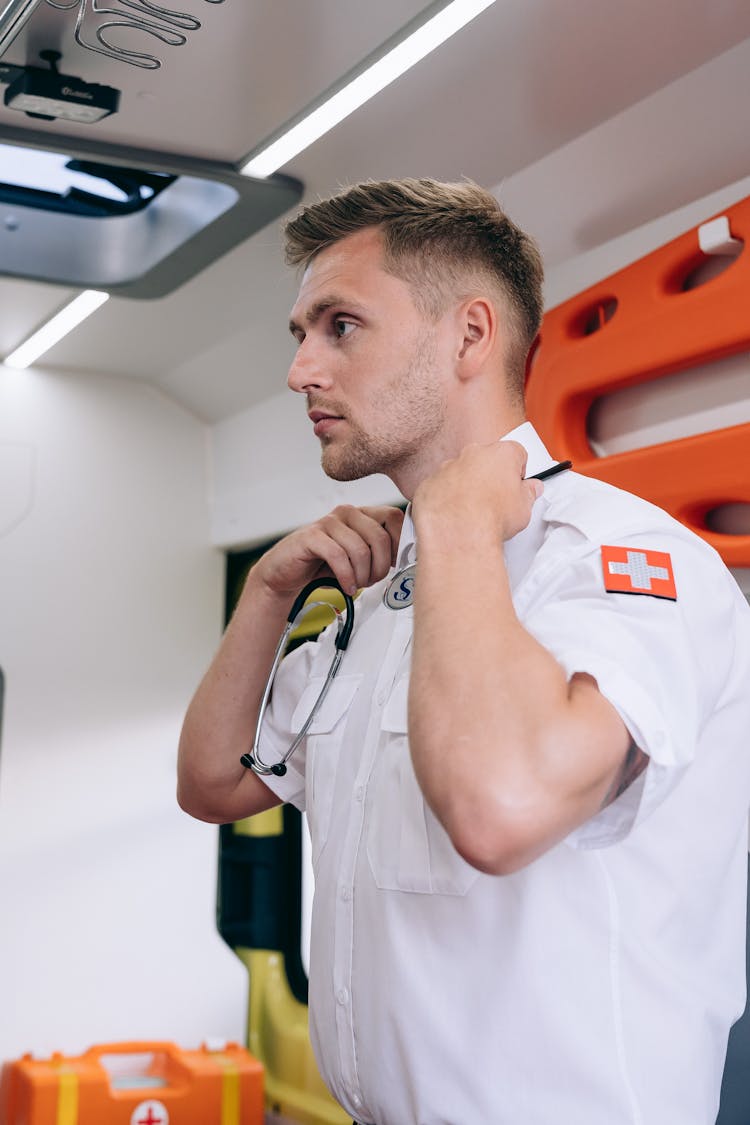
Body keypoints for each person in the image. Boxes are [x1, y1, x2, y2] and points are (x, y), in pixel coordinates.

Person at [178, 178, 750, 1125]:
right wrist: (265, 595)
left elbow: (501, 809)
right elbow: (213, 784)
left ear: (470, 336)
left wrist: (455, 526)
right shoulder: (381, 589)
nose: (301, 371)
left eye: (340, 325)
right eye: (300, 335)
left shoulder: (619, 560)